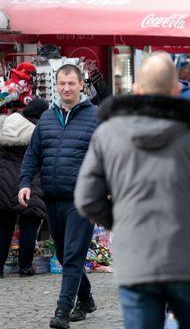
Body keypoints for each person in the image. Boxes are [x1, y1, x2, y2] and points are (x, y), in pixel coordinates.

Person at [74, 53, 190, 329]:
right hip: (188, 255)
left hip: (137, 257)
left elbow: (87, 198)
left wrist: (119, 221)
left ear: (137, 90)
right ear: (176, 90)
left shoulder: (109, 133)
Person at [18, 64, 100, 328]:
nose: (66, 88)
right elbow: (33, 154)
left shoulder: (95, 116)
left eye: (71, 83)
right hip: (52, 197)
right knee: (65, 255)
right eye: (62, 83)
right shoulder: (47, 118)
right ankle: (86, 299)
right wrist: (24, 182)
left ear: (81, 85)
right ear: (57, 85)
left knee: (74, 254)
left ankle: (62, 310)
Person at [0, 99, 48, 278]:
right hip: (28, 184)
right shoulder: (38, 131)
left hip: (4, 181)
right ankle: (25, 266)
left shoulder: (7, 123)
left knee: (3, 227)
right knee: (29, 224)